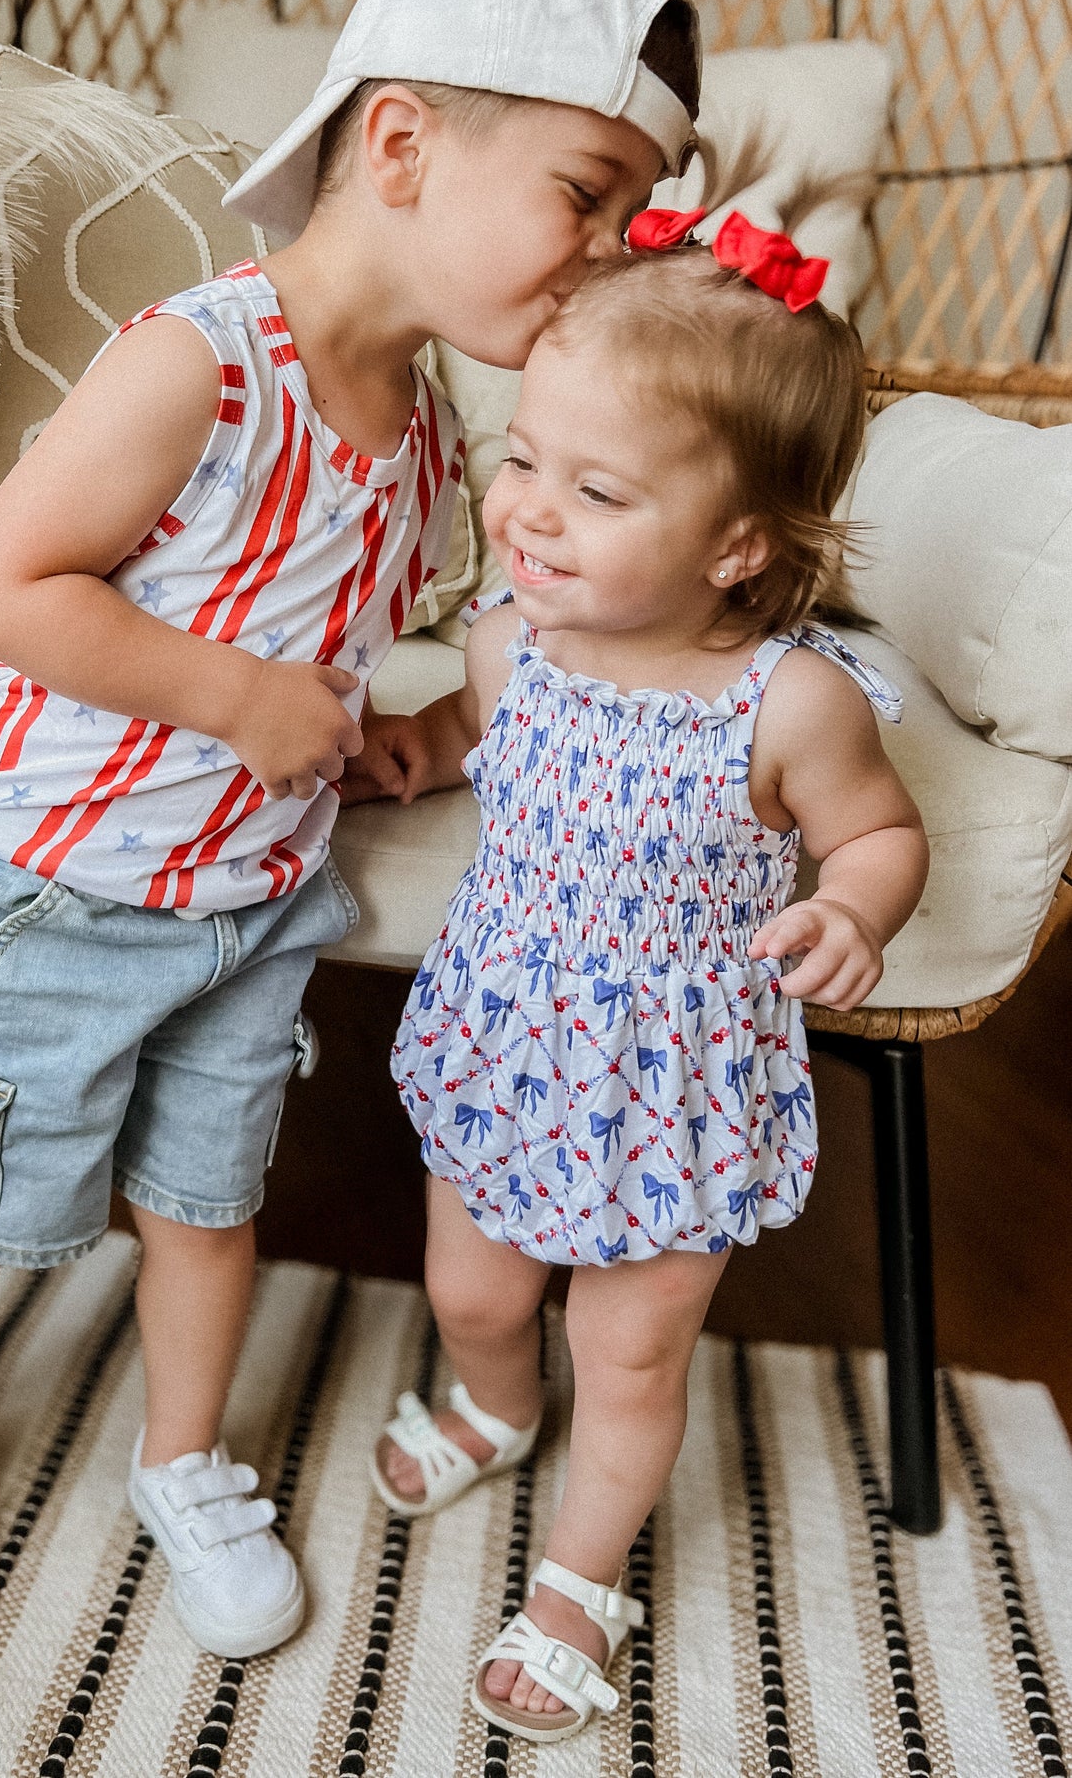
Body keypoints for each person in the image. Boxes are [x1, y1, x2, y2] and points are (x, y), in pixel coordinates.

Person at [0, 0, 704, 1661]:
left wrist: (393, 741)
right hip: (51, 879)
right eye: (584, 192)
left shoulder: (430, 427)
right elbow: (14, 585)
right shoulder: (200, 358)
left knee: (205, 1200)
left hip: (248, 899)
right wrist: (236, 699)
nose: (607, 250)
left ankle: (182, 1451)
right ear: (398, 143)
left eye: (626, 214)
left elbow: (346, 654)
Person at [351, 212, 929, 1740]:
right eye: (522, 455)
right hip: (504, 1032)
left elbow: (871, 827)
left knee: (631, 1346)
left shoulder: (785, 704)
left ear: (734, 546)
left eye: (593, 490)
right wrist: (419, 747)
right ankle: (492, 1397)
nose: (527, 511)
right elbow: (481, 741)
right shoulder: (506, 643)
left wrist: (855, 907)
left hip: (673, 1083)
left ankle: (575, 1581)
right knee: (469, 1289)